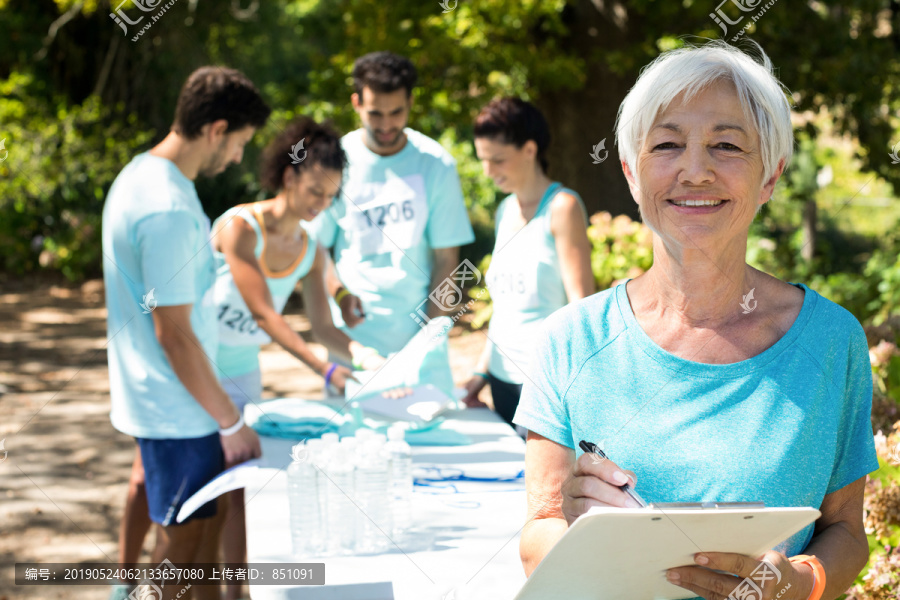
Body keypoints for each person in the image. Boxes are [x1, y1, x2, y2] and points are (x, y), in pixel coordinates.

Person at [514, 41, 877, 600]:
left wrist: (799, 585)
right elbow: (537, 535)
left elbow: (847, 532)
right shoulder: (569, 341)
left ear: (771, 177)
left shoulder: (832, 341)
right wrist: (573, 524)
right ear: (633, 174)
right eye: (667, 144)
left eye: (726, 145)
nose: (695, 171)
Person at [103, 66, 270, 600]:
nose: (239, 158)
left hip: (173, 403)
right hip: (179, 409)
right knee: (183, 552)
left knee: (198, 546)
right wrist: (230, 420)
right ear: (217, 129)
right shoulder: (168, 207)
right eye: (241, 143)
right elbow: (173, 334)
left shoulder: (142, 175)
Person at [211, 116, 386, 600]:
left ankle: (236, 590)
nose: (321, 205)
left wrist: (366, 362)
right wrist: (324, 369)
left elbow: (326, 326)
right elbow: (265, 315)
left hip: (243, 372)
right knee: (171, 483)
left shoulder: (309, 248)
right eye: (314, 191)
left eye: (330, 197)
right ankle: (129, 582)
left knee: (235, 484)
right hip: (199, 367)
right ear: (289, 175)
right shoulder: (240, 226)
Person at [307, 51, 475, 360]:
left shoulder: (436, 164)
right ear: (356, 103)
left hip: (417, 339)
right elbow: (314, 248)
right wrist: (339, 293)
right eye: (375, 114)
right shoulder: (334, 161)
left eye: (396, 112)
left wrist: (429, 337)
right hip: (350, 343)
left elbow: (446, 260)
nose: (386, 125)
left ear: (411, 102)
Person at [460, 98, 595, 429]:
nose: (488, 171)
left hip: (544, 388)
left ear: (530, 150)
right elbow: (504, 310)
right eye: (484, 161)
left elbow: (582, 309)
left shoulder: (562, 208)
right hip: (501, 382)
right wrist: (480, 374)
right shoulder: (504, 210)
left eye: (498, 160)